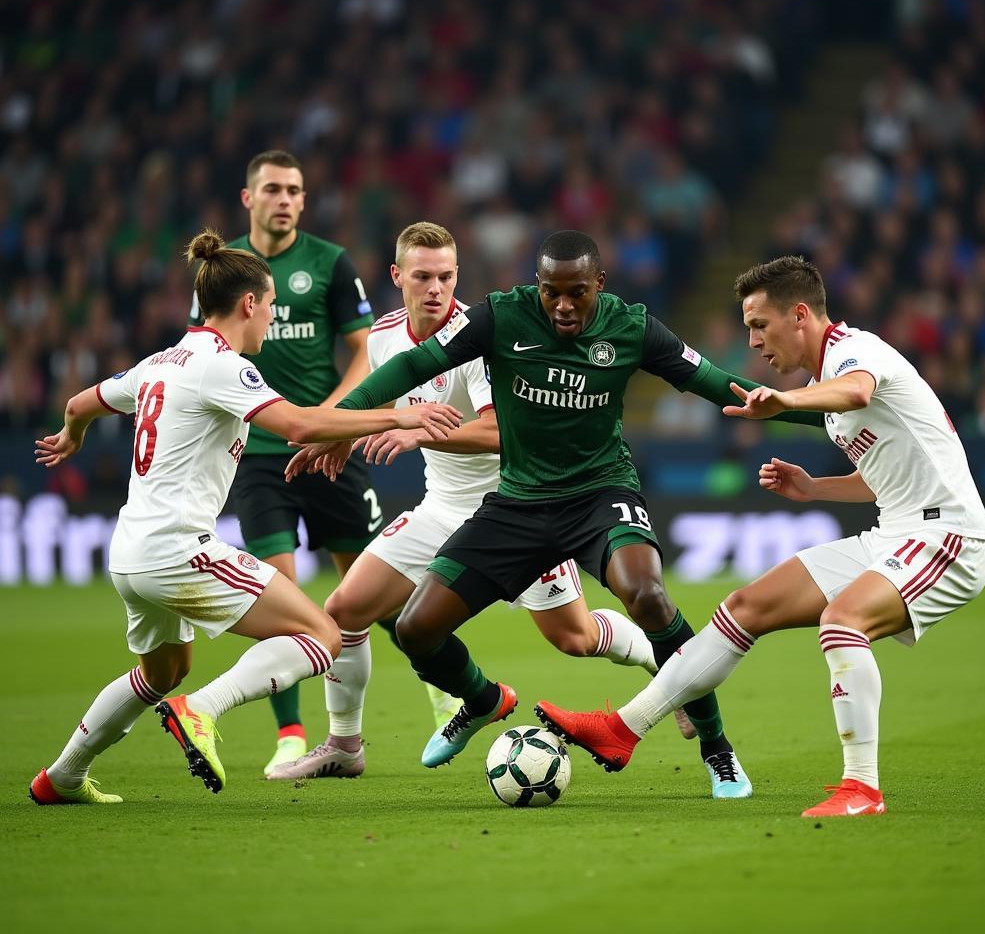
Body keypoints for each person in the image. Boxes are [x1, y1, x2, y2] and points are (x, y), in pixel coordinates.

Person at [290, 231, 823, 797]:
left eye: (577, 293)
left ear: (600, 284)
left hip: (600, 494)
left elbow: (717, 383)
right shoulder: (502, 317)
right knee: (417, 627)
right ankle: (480, 699)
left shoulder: (631, 326)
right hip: (517, 503)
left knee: (646, 594)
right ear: (536, 286)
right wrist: (338, 422)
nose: (563, 306)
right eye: (551, 293)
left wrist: (810, 411)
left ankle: (718, 749)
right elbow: (412, 366)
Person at [535, 255, 985, 818]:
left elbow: (854, 393)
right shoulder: (826, 375)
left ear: (800, 315)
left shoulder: (856, 352)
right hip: (896, 532)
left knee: (842, 622)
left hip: (949, 537)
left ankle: (862, 788)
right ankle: (621, 730)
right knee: (743, 607)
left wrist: (785, 401)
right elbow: (884, 478)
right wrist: (813, 488)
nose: (753, 341)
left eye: (759, 325)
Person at [29, 230, 461, 804]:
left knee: (160, 673)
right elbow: (301, 426)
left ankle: (61, 776)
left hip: (130, 553)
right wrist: (398, 419)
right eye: (272, 307)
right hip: (179, 549)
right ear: (249, 305)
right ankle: (201, 713)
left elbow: (80, 404)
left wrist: (70, 436)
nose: (272, 321)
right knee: (323, 634)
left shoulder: (158, 361)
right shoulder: (222, 365)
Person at [268, 221, 687, 783]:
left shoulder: (484, 336)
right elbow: (383, 400)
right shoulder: (384, 336)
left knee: (576, 638)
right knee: (344, 611)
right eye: (422, 277)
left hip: (519, 508)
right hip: (440, 508)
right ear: (397, 277)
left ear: (458, 275)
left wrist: (420, 432)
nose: (435, 288)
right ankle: (346, 744)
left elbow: (500, 434)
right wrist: (338, 437)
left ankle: (667, 671)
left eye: (445, 276)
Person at [190, 149, 382, 776]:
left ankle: (439, 697)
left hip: (327, 449)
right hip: (258, 457)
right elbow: (199, 354)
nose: (285, 199)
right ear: (248, 199)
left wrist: (330, 418)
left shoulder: (329, 262)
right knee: (284, 596)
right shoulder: (224, 271)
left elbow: (363, 352)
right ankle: (293, 734)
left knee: (371, 590)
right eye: (272, 188)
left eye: (295, 190)